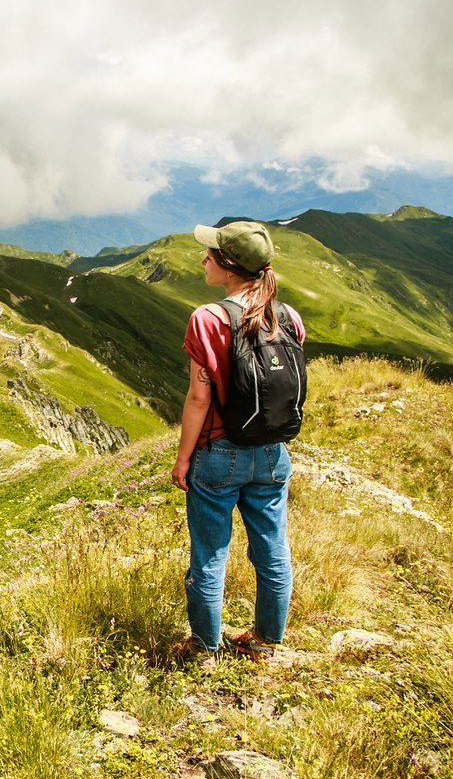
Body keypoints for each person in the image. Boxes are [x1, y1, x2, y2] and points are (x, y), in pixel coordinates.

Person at [169, 220, 305, 665]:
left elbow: (198, 397)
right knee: (272, 548)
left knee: (209, 555)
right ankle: (268, 641)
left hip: (218, 455)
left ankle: (204, 648)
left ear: (228, 265)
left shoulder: (208, 319)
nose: (202, 259)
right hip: (271, 452)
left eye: (210, 254)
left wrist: (183, 459)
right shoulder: (288, 317)